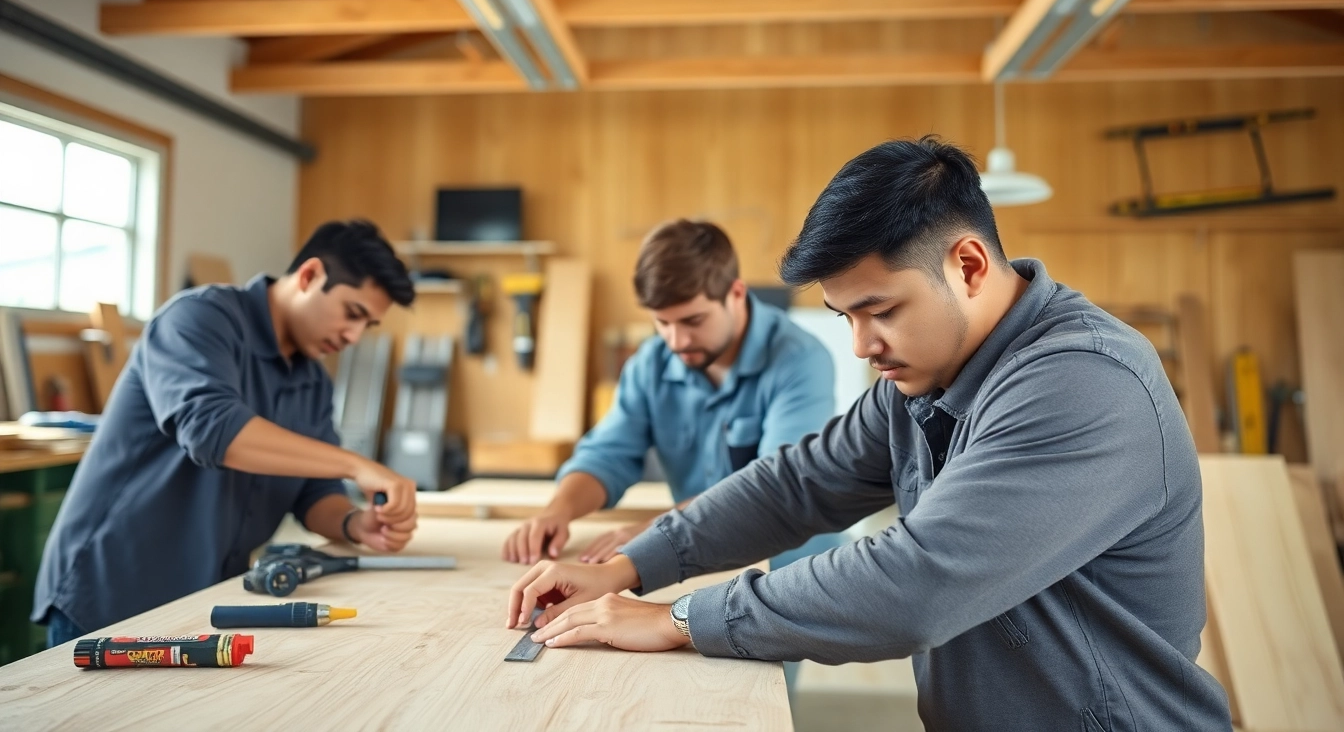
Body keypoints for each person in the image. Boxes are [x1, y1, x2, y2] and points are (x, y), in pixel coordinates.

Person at [505, 139, 1233, 730]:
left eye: (878, 310)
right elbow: (797, 484)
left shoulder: (1081, 381)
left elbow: (920, 584)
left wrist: (681, 618)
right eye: (844, 315)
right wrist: (629, 566)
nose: (860, 345)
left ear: (969, 266)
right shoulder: (925, 377)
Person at [34, 220, 422, 647]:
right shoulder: (198, 319)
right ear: (309, 276)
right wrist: (357, 464)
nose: (353, 336)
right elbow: (214, 430)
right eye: (353, 313)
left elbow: (314, 492)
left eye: (367, 326)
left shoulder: (313, 381)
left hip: (203, 602)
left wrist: (354, 524)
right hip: (112, 597)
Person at [502, 219, 842, 571]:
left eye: (693, 321)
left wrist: (657, 532)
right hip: (704, 562)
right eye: (662, 323)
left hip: (794, 570)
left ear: (736, 294)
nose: (677, 341)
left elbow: (773, 487)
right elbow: (607, 455)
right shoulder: (649, 363)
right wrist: (558, 511)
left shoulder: (801, 360)